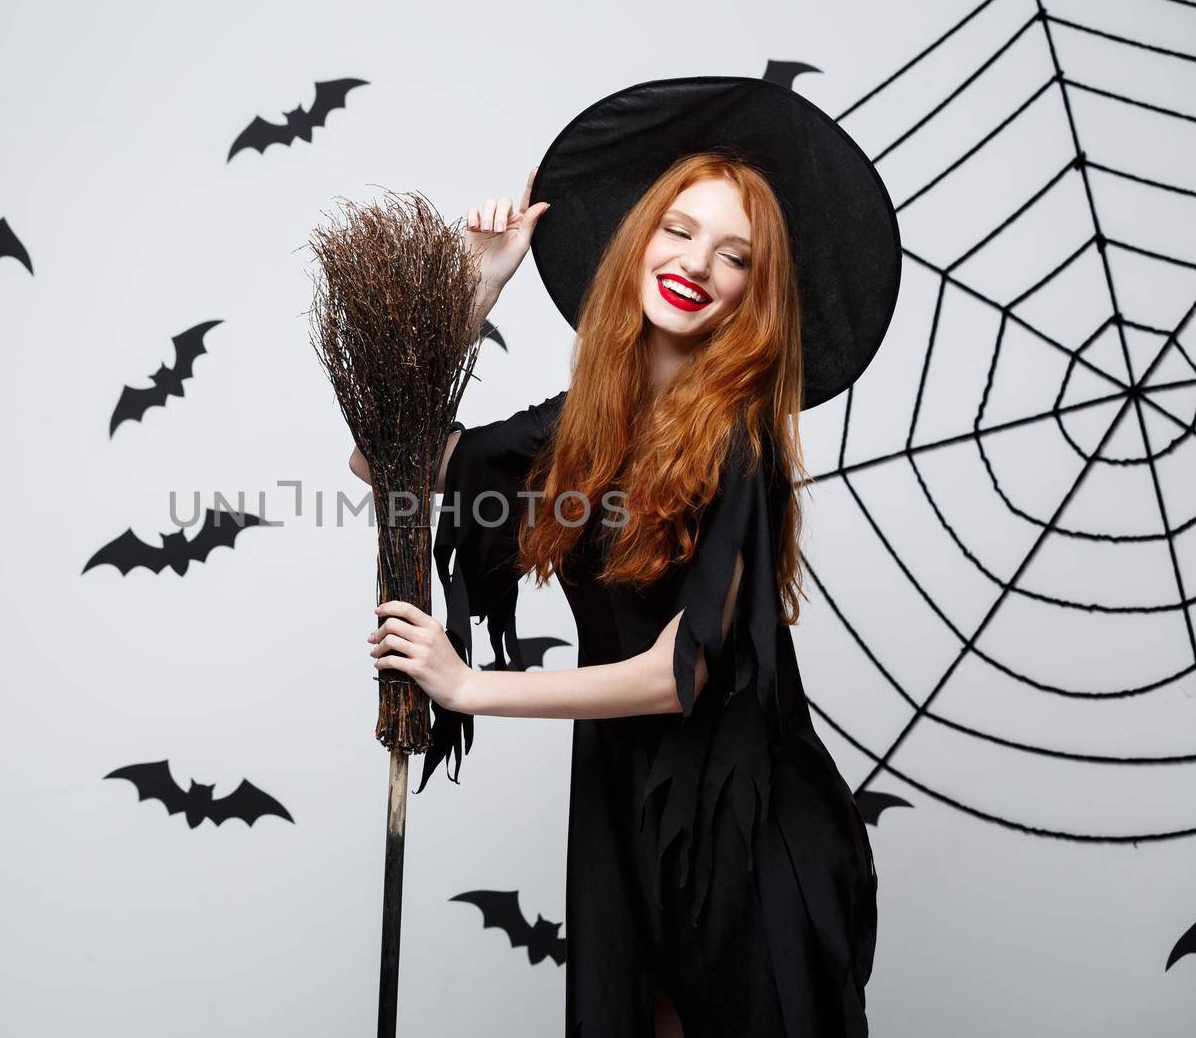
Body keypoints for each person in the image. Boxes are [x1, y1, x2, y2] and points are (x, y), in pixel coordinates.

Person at [348, 77, 899, 1037]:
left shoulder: (741, 445)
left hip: (743, 819)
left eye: (734, 256)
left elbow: (677, 674)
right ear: (638, 238)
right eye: (679, 230)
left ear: (752, 298)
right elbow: (384, 456)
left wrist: (468, 686)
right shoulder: (580, 428)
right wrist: (479, 285)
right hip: (620, 800)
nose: (696, 264)